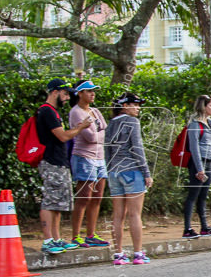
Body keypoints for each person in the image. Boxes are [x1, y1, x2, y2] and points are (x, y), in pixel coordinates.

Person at [36, 79, 91, 254]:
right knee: (49, 201)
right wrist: (81, 128)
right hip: (51, 161)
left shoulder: (53, 112)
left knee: (58, 202)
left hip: (59, 162)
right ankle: (48, 240)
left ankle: (57, 238)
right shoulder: (47, 112)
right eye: (65, 93)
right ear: (54, 92)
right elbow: (62, 136)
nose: (67, 97)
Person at [104, 92, 153, 265]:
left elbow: (107, 149)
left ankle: (118, 254)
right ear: (125, 106)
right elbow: (137, 148)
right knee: (134, 215)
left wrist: (110, 169)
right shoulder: (132, 122)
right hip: (132, 170)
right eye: (135, 104)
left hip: (114, 172)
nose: (138, 108)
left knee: (117, 215)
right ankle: (138, 253)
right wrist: (146, 172)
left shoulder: (111, 123)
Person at [68, 80, 109, 248]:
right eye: (88, 91)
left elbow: (103, 131)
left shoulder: (95, 111)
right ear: (79, 93)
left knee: (98, 197)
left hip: (99, 158)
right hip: (84, 157)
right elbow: (91, 137)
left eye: (93, 91)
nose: (92, 94)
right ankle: (76, 235)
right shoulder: (76, 112)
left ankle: (91, 234)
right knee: (84, 197)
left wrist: (97, 134)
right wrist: (98, 134)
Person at [182, 94, 211, 238]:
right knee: (193, 195)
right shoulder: (194, 124)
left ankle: (204, 227)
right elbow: (194, 147)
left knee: (203, 196)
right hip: (198, 163)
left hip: (208, 161)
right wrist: (199, 169)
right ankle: (187, 228)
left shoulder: (209, 123)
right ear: (203, 107)